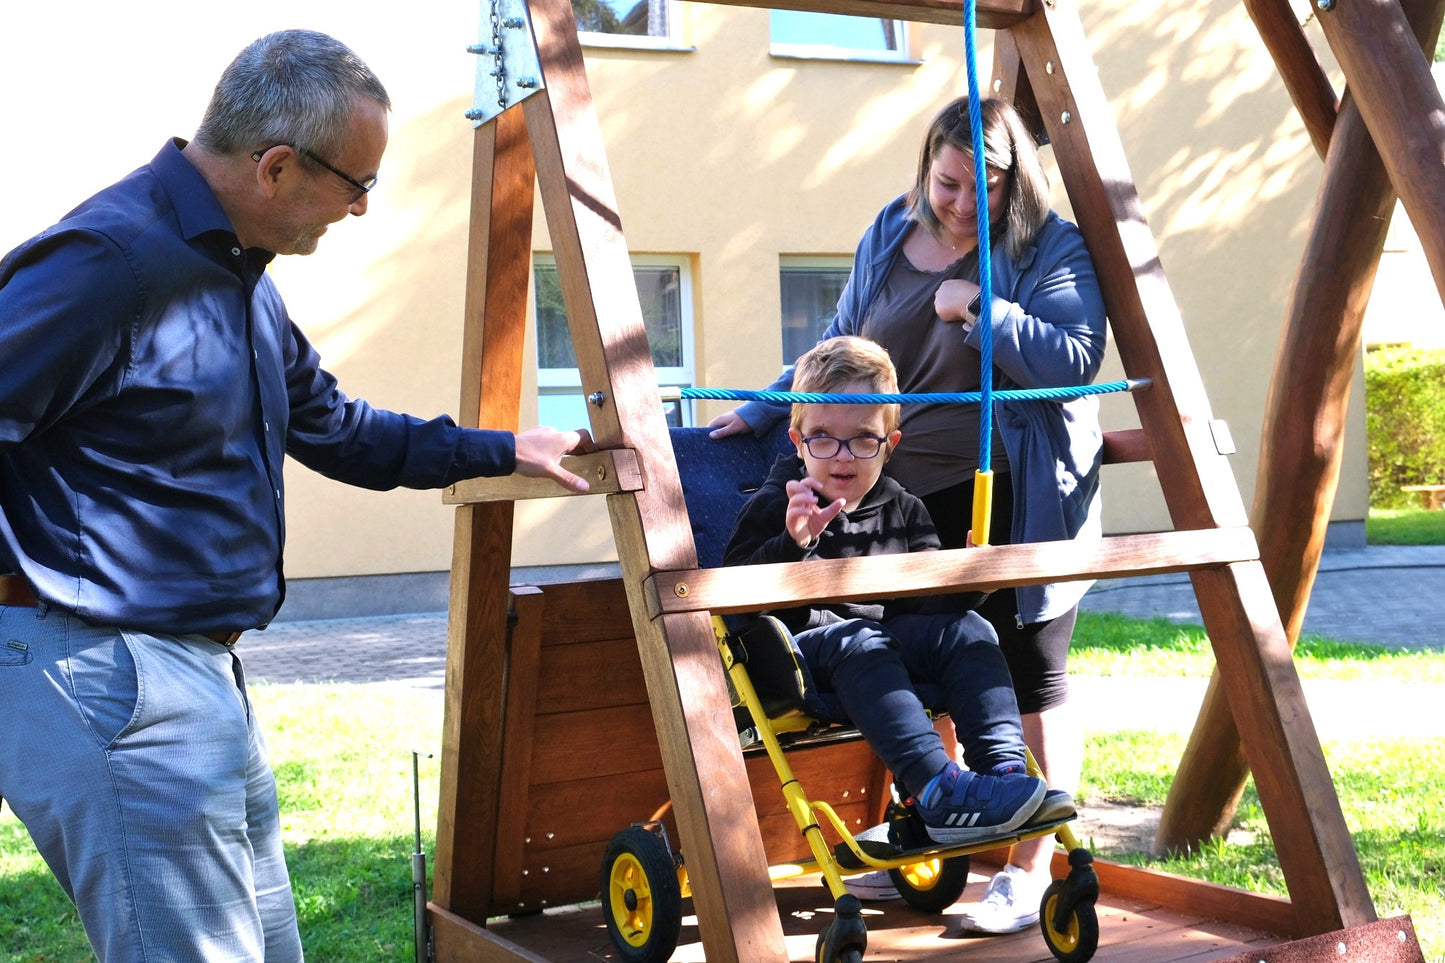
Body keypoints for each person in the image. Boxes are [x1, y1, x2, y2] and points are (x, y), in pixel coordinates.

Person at [0, 30, 592, 962]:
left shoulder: (237, 273)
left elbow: (337, 428)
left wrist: (504, 447)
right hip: (105, 670)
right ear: (277, 166)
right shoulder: (108, 264)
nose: (361, 211)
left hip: (198, 676)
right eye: (357, 184)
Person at [709, 96, 1107, 933]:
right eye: (947, 182)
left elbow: (1073, 361)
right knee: (911, 650)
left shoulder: (1046, 246)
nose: (961, 203)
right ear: (925, 169)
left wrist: (978, 306)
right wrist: (764, 404)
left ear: (1015, 181)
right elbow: (839, 343)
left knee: (1018, 663)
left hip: (1006, 487)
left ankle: (1026, 855)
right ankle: (944, 813)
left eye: (984, 187)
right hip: (889, 493)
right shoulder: (893, 229)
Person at [722, 336, 1055, 848]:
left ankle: (1004, 775)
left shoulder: (903, 508)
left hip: (882, 650)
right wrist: (793, 541)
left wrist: (968, 585)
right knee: (862, 640)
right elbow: (734, 601)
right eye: (823, 439)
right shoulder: (778, 504)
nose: (843, 455)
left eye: (862, 439)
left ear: (889, 444)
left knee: (969, 629)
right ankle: (938, 792)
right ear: (796, 441)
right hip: (799, 655)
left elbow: (929, 610)